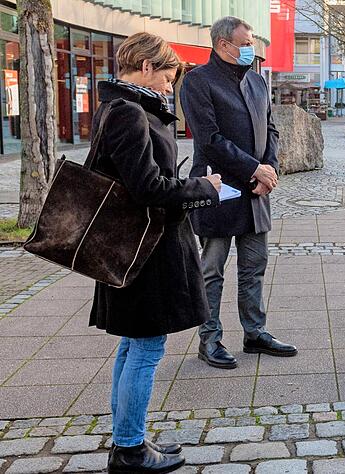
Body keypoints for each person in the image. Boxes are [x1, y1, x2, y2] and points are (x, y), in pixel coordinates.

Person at [88, 32, 222, 472]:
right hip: (145, 252)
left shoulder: (121, 106)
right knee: (145, 348)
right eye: (168, 76)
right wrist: (205, 187)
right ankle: (129, 449)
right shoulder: (127, 112)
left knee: (134, 345)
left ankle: (129, 439)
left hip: (137, 247)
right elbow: (147, 188)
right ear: (146, 67)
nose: (170, 86)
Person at [181, 16, 296, 369]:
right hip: (218, 190)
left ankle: (255, 332)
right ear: (223, 45)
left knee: (254, 267)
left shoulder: (258, 82)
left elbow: (271, 130)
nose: (251, 49)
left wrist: (269, 169)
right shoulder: (198, 82)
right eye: (246, 43)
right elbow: (210, 139)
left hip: (257, 192)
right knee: (212, 270)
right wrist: (253, 169)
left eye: (252, 43)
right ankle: (209, 339)